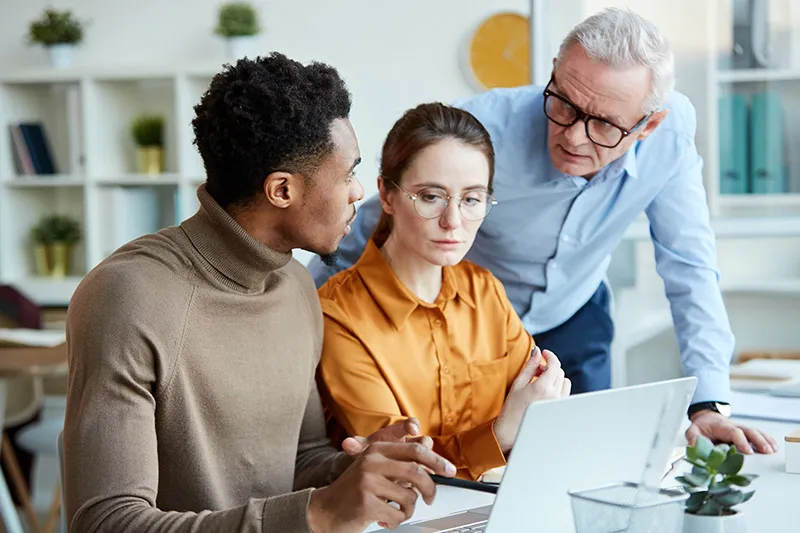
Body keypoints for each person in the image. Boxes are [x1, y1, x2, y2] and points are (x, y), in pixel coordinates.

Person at [308, 8, 778, 455]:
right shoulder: (480, 131)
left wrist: (710, 402)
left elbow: (689, 265)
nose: (573, 136)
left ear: (647, 124)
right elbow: (377, 217)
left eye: (603, 125)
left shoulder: (670, 136)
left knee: (584, 463)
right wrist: (304, 313)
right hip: (473, 323)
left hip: (572, 313)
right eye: (565, 106)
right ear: (554, 72)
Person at [62, 53, 458, 533]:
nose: (358, 192)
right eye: (347, 174)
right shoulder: (127, 297)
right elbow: (107, 522)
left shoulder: (295, 284)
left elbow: (297, 461)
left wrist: (353, 470)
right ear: (282, 191)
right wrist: (321, 511)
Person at [316, 103, 571, 481]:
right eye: (431, 196)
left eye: (471, 199)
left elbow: (541, 411)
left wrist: (525, 418)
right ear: (386, 195)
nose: (454, 222)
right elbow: (397, 463)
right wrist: (501, 432)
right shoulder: (337, 315)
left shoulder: (486, 292)